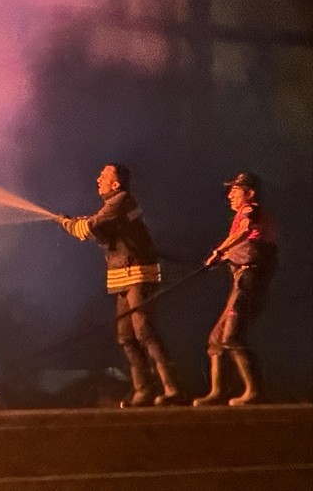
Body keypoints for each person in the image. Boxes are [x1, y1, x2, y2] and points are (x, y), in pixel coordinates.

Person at [56, 163, 183, 406]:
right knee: (126, 336)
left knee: (144, 330)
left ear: (116, 183)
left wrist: (66, 223)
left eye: (104, 176)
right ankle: (143, 391)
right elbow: (99, 225)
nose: (98, 179)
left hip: (137, 272)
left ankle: (172, 388)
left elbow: (89, 228)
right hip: (122, 274)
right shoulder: (114, 205)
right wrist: (77, 222)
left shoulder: (121, 200)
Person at [193, 171, 278, 406]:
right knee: (216, 339)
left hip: (249, 280)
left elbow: (244, 233)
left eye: (235, 190)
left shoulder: (251, 210)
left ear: (249, 193)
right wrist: (221, 257)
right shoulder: (242, 215)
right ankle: (218, 392)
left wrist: (220, 251)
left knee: (232, 335)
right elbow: (241, 243)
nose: (230, 195)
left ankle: (254, 391)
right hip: (240, 279)